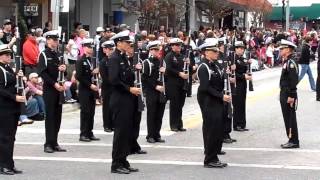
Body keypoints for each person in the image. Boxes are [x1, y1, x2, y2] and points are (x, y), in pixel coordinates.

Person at [109, 30, 139, 174]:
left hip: (128, 98)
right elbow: (114, 80)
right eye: (126, 43)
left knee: (127, 131)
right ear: (118, 43)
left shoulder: (125, 57)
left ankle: (123, 160)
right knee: (120, 132)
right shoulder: (114, 58)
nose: (129, 45)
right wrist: (129, 89)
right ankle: (116, 163)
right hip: (120, 98)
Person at [197, 40, 230, 168]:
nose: (217, 53)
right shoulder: (203, 66)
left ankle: (214, 154)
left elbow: (220, 81)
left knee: (218, 128)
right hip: (208, 100)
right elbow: (205, 87)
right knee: (211, 128)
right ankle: (209, 159)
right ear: (206, 53)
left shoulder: (215, 65)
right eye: (214, 51)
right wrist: (221, 96)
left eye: (217, 51)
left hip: (217, 99)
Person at [37, 30, 67, 153]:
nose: (56, 42)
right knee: (50, 117)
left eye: (57, 40)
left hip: (59, 89)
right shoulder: (43, 54)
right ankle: (48, 143)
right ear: (48, 40)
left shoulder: (59, 54)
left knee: (57, 117)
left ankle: (55, 142)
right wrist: (54, 84)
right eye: (54, 40)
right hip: (50, 89)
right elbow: (42, 73)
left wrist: (64, 70)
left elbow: (63, 72)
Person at [0, 44, 24, 175]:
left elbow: (15, 85)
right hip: (4, 108)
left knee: (11, 137)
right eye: (6, 55)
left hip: (12, 108)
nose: (9, 57)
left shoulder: (9, 68)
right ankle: (3, 165)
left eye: (10, 55)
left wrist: (19, 76)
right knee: (5, 137)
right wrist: (14, 97)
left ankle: (9, 163)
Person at [76, 38, 100, 142]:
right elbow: (79, 76)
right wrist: (90, 85)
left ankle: (90, 132)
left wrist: (96, 72)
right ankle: (83, 133)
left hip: (92, 89)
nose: (91, 49)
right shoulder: (80, 60)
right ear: (84, 48)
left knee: (91, 112)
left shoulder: (92, 60)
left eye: (92, 47)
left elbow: (92, 74)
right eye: (89, 47)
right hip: (85, 89)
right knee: (85, 112)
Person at [142, 40, 166, 143]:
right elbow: (145, 78)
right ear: (150, 50)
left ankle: (157, 134)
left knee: (159, 114)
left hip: (161, 90)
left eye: (158, 49)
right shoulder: (146, 62)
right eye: (155, 50)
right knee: (151, 114)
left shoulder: (162, 61)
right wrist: (155, 86)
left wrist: (165, 72)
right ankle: (150, 135)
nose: (157, 52)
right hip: (152, 91)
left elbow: (166, 78)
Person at [278, 39, 300, 149]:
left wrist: (291, 95)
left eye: (282, 49)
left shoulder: (291, 63)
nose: (280, 50)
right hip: (285, 92)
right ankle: (291, 138)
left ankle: (294, 140)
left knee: (290, 117)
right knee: (287, 117)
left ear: (288, 49)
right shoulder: (287, 61)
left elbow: (293, 80)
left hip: (288, 93)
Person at [164, 38, 188, 132]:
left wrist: (189, 65)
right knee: (174, 104)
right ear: (172, 46)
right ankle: (173, 125)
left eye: (179, 45)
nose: (178, 47)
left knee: (180, 104)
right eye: (176, 45)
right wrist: (179, 73)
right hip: (173, 83)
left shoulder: (182, 56)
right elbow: (168, 69)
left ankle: (179, 124)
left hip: (182, 83)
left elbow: (187, 69)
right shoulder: (169, 56)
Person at [217, 39, 236, 144]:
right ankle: (223, 134)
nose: (226, 48)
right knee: (224, 112)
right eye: (224, 46)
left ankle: (227, 133)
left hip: (228, 86)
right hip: (221, 88)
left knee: (229, 110)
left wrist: (230, 73)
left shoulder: (226, 57)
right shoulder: (217, 57)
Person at [231, 41, 252, 132]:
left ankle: (242, 124)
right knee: (237, 104)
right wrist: (244, 76)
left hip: (243, 84)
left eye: (243, 48)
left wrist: (248, 64)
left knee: (242, 104)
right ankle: (236, 124)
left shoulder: (242, 59)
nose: (242, 50)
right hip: (236, 84)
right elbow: (233, 74)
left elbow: (245, 69)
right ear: (235, 49)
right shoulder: (232, 59)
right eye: (240, 48)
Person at [100, 40, 115, 132]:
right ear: (105, 50)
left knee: (113, 106)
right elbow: (104, 77)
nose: (110, 51)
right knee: (106, 107)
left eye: (111, 49)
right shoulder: (103, 61)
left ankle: (112, 124)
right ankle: (106, 125)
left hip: (114, 87)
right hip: (107, 87)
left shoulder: (114, 60)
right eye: (108, 49)